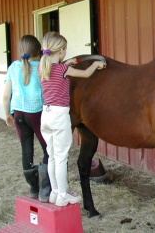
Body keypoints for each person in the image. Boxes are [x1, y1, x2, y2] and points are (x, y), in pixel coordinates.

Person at [39, 31, 106, 207]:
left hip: (45, 115)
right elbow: (85, 74)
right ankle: (63, 194)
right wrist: (96, 64)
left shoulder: (43, 68)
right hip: (59, 116)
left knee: (52, 155)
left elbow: (57, 71)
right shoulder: (62, 69)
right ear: (61, 51)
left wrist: (65, 63)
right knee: (61, 157)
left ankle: (54, 192)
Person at [2, 35, 51, 202]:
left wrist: (8, 113)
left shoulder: (14, 67)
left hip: (19, 114)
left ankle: (33, 188)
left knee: (26, 151)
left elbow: (5, 95)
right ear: (39, 51)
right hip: (37, 113)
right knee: (48, 149)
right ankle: (45, 187)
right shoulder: (42, 67)